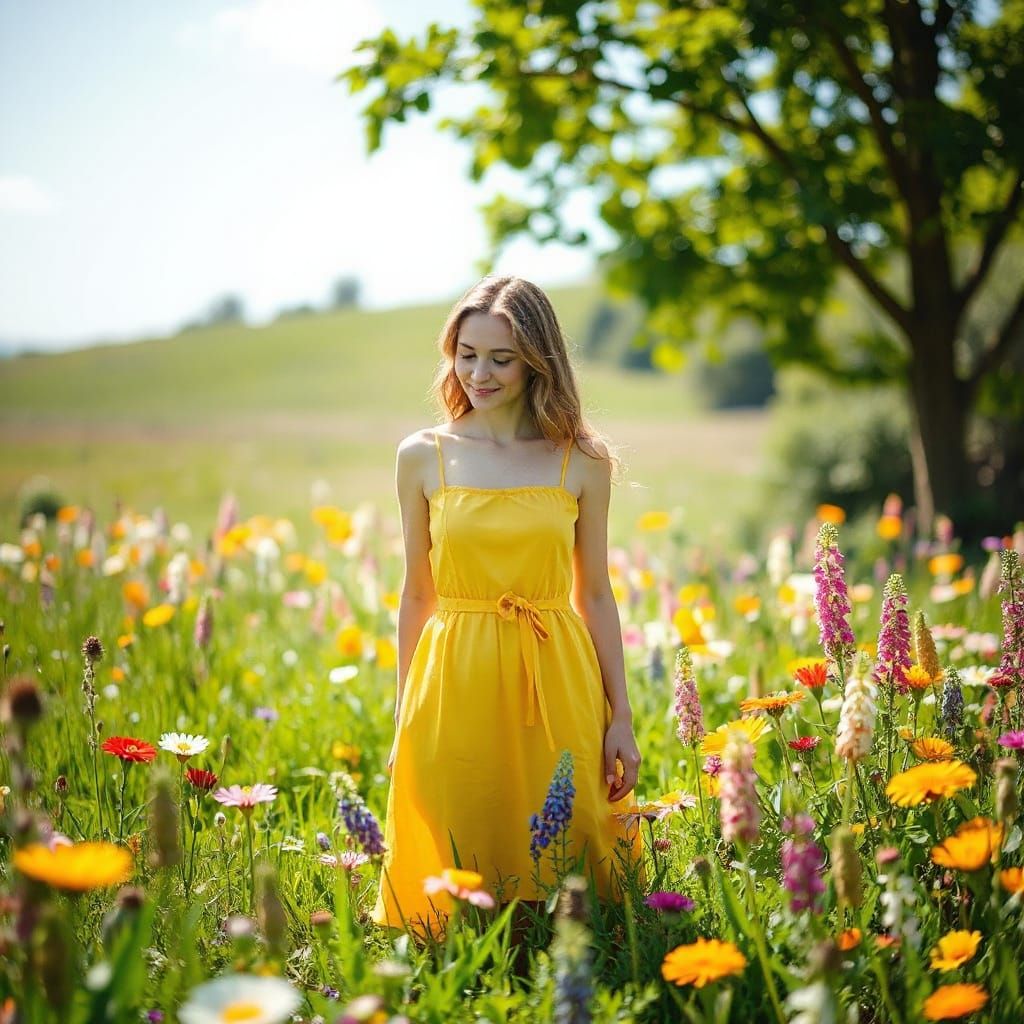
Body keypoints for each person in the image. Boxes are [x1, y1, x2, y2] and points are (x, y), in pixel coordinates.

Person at [370, 276, 643, 939]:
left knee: (569, 838)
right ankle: (465, 976)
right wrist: (405, 709)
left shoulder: (581, 459)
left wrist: (622, 715)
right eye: (466, 353)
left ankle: (574, 957)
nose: (479, 373)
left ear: (537, 361)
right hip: (453, 673)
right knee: (460, 835)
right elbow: (415, 593)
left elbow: (597, 593)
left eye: (500, 357)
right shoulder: (422, 455)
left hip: (555, 670)